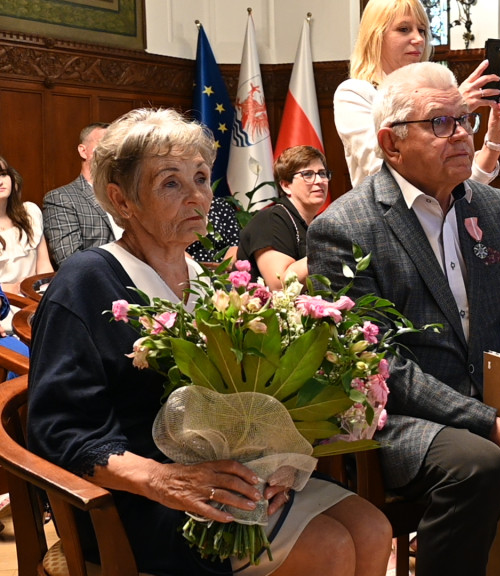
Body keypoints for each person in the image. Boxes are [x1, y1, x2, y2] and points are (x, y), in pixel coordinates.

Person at [27, 108, 392, 576]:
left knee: (372, 528)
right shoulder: (86, 282)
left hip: (228, 479)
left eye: (201, 178)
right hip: (135, 500)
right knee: (330, 547)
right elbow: (60, 431)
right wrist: (167, 480)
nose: (197, 196)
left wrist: (276, 463)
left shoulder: (207, 280)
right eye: (171, 183)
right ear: (121, 199)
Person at [309, 62, 500, 576]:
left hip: (496, 401)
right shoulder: (345, 227)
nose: (462, 135)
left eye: (464, 120)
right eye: (440, 124)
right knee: (480, 463)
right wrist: (492, 425)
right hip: (403, 417)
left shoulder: (497, 209)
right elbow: (378, 365)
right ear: (391, 144)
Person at [334, 0, 500, 188]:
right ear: (375, 36)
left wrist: (495, 140)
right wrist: (451, 111)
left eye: (421, 30)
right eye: (404, 29)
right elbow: (380, 169)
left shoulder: (437, 90)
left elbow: (462, 186)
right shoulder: (355, 93)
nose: (419, 39)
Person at [237, 146, 330, 290]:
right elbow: (281, 284)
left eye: (322, 173)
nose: (319, 180)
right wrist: (331, 249)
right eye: (308, 174)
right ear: (286, 185)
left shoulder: (317, 224)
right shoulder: (270, 220)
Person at [43, 122, 122, 268]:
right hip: (98, 282)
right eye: (104, 144)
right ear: (83, 151)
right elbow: (69, 260)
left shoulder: (126, 195)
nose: (111, 151)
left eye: (115, 146)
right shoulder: (61, 198)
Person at [0, 155, 53, 333]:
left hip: (36, 298)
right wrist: (14, 288)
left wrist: (45, 292)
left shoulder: (30, 213)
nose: (0, 181)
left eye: (3, 174)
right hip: (5, 305)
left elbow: (44, 266)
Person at [186, 196, 240, 263]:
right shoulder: (176, 207)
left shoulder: (220, 204)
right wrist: (196, 269)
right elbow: (172, 247)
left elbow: (235, 242)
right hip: (189, 266)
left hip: (223, 266)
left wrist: (224, 267)